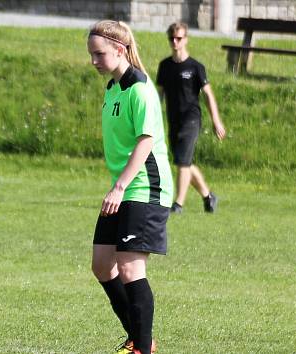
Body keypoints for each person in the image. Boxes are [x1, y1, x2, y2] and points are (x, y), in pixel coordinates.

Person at [87, 20, 174, 354]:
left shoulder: (140, 88)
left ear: (119, 49)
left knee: (129, 267)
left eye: (99, 54)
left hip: (144, 188)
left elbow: (146, 140)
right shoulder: (113, 87)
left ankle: (141, 347)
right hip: (123, 186)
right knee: (101, 264)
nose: (94, 61)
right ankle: (140, 337)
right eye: (91, 54)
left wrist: (120, 186)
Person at [156, 22, 226, 214]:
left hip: (191, 120)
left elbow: (208, 95)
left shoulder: (195, 67)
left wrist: (216, 121)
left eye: (179, 38)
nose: (175, 42)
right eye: (172, 38)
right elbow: (159, 95)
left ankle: (178, 204)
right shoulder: (165, 66)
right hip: (173, 120)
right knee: (183, 161)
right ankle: (208, 196)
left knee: (182, 162)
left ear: (186, 39)